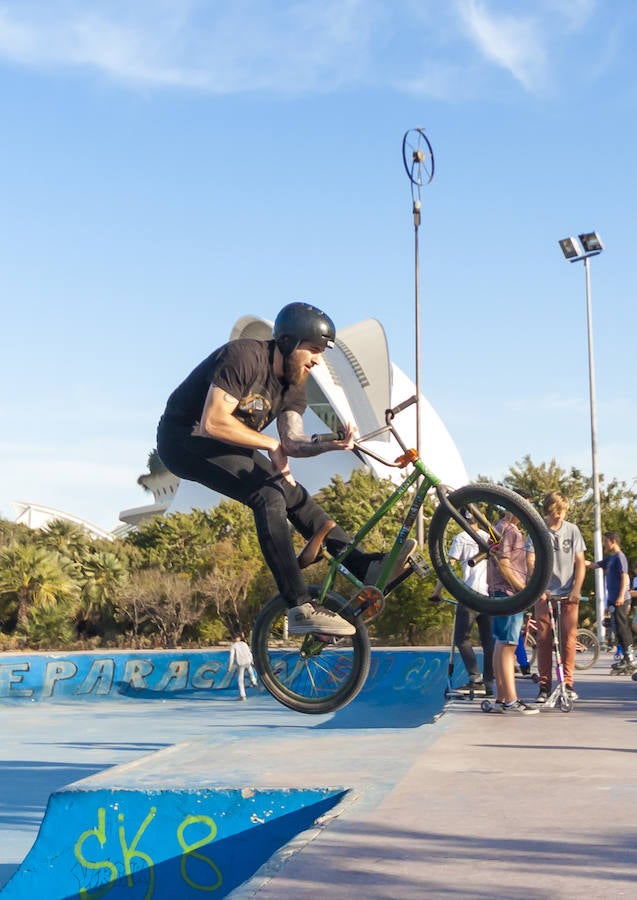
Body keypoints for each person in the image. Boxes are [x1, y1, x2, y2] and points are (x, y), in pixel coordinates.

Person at [157, 302, 414, 637]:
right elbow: (213, 421)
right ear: (290, 342)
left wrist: (329, 444)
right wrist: (270, 446)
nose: (317, 360)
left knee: (294, 495)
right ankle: (299, 605)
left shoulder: (295, 384)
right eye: (313, 350)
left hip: (229, 442)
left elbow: (291, 441)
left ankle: (364, 565)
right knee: (267, 496)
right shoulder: (243, 358)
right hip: (183, 440)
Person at [430, 510, 494, 696]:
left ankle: (475, 678)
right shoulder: (488, 537)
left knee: (461, 638)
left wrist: (437, 591)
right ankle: (489, 682)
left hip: (469, 595)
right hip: (490, 596)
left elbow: (448, 566)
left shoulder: (461, 538)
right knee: (488, 641)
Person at [532, 492, 586, 704]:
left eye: (563, 512)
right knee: (544, 638)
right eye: (556, 512)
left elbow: (580, 562)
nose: (560, 517)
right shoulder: (538, 529)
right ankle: (544, 686)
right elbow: (531, 560)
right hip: (545, 593)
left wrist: (576, 589)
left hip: (567, 593)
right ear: (548, 511)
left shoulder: (572, 530)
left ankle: (568, 683)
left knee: (569, 638)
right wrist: (539, 587)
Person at [488, 508, 538, 714]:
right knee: (508, 645)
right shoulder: (510, 531)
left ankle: (501, 697)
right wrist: (522, 588)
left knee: (501, 643)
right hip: (509, 592)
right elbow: (504, 564)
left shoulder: (498, 528)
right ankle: (511, 699)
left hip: (498, 592)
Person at [590, 532, 634, 673]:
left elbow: (625, 577)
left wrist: (621, 596)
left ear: (613, 541)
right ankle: (625, 657)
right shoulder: (611, 559)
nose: (604, 544)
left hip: (620, 599)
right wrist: (577, 559)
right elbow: (594, 565)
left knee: (623, 627)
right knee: (617, 629)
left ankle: (630, 656)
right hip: (613, 600)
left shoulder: (620, 557)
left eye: (606, 541)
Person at [228, 633, 258, 700]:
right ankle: (254, 681)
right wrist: (252, 661)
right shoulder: (244, 644)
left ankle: (242, 695)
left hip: (241, 663)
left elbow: (231, 657)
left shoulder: (234, 646)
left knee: (240, 679)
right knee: (250, 671)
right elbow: (249, 653)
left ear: (234, 639)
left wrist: (229, 666)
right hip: (247, 661)